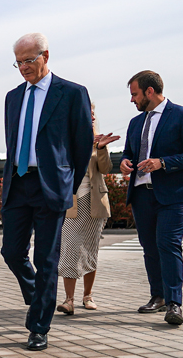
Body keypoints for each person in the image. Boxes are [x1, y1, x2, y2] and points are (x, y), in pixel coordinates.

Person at [1, 32, 93, 351]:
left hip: (50, 187)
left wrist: (66, 181)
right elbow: (12, 143)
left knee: (46, 258)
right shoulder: (13, 97)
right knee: (11, 252)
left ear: (46, 56)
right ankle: (38, 294)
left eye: (29, 60)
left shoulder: (71, 93)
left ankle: (39, 325)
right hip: (17, 184)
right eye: (19, 62)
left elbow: (81, 147)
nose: (24, 67)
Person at [120, 70, 183, 325]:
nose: (132, 100)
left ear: (149, 91)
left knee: (168, 245)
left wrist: (162, 163)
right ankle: (157, 296)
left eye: (134, 94)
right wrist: (125, 163)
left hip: (174, 197)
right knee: (150, 249)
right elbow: (128, 153)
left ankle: (174, 304)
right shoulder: (135, 123)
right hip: (142, 196)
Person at [56, 104, 119, 315]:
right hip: (70, 203)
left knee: (91, 249)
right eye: (86, 112)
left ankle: (88, 296)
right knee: (70, 249)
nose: (91, 116)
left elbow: (106, 168)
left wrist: (100, 149)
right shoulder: (65, 139)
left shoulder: (98, 141)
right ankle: (69, 300)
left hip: (95, 202)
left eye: (93, 113)